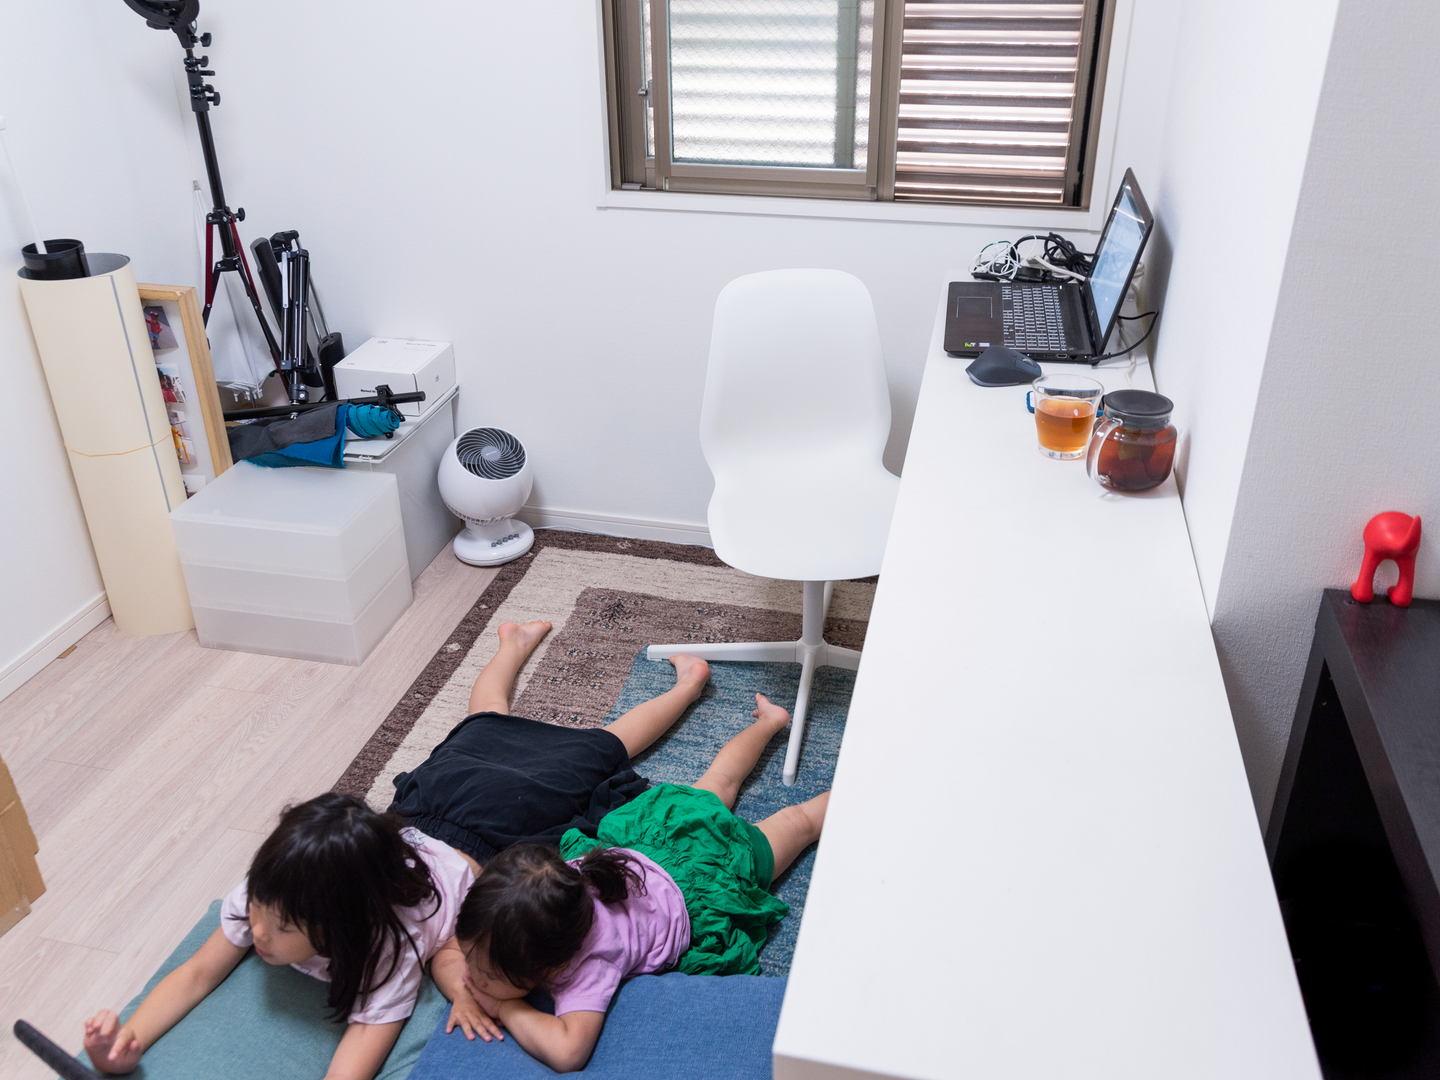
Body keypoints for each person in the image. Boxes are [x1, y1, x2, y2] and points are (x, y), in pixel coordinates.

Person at [433, 694, 829, 1073]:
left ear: (553, 965)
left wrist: (505, 1007)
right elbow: (446, 955)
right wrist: (464, 994)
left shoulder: (589, 962)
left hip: (706, 884)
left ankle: (857, 786)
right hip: (655, 839)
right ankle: (770, 721)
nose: (471, 977)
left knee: (797, 823)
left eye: (487, 976)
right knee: (719, 780)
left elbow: (568, 1053)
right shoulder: (533, 904)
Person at [83, 793, 475, 1080]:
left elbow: (358, 1053)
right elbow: (196, 974)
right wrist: (125, 1043)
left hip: (470, 851)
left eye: (284, 927)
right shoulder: (275, 890)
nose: (258, 931)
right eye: (256, 905)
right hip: (410, 824)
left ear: (342, 929)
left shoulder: (388, 949)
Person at [386, 620, 712, 864]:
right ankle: (512, 646)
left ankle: (688, 685)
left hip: (503, 814)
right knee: (485, 717)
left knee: (611, 742)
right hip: (441, 793)